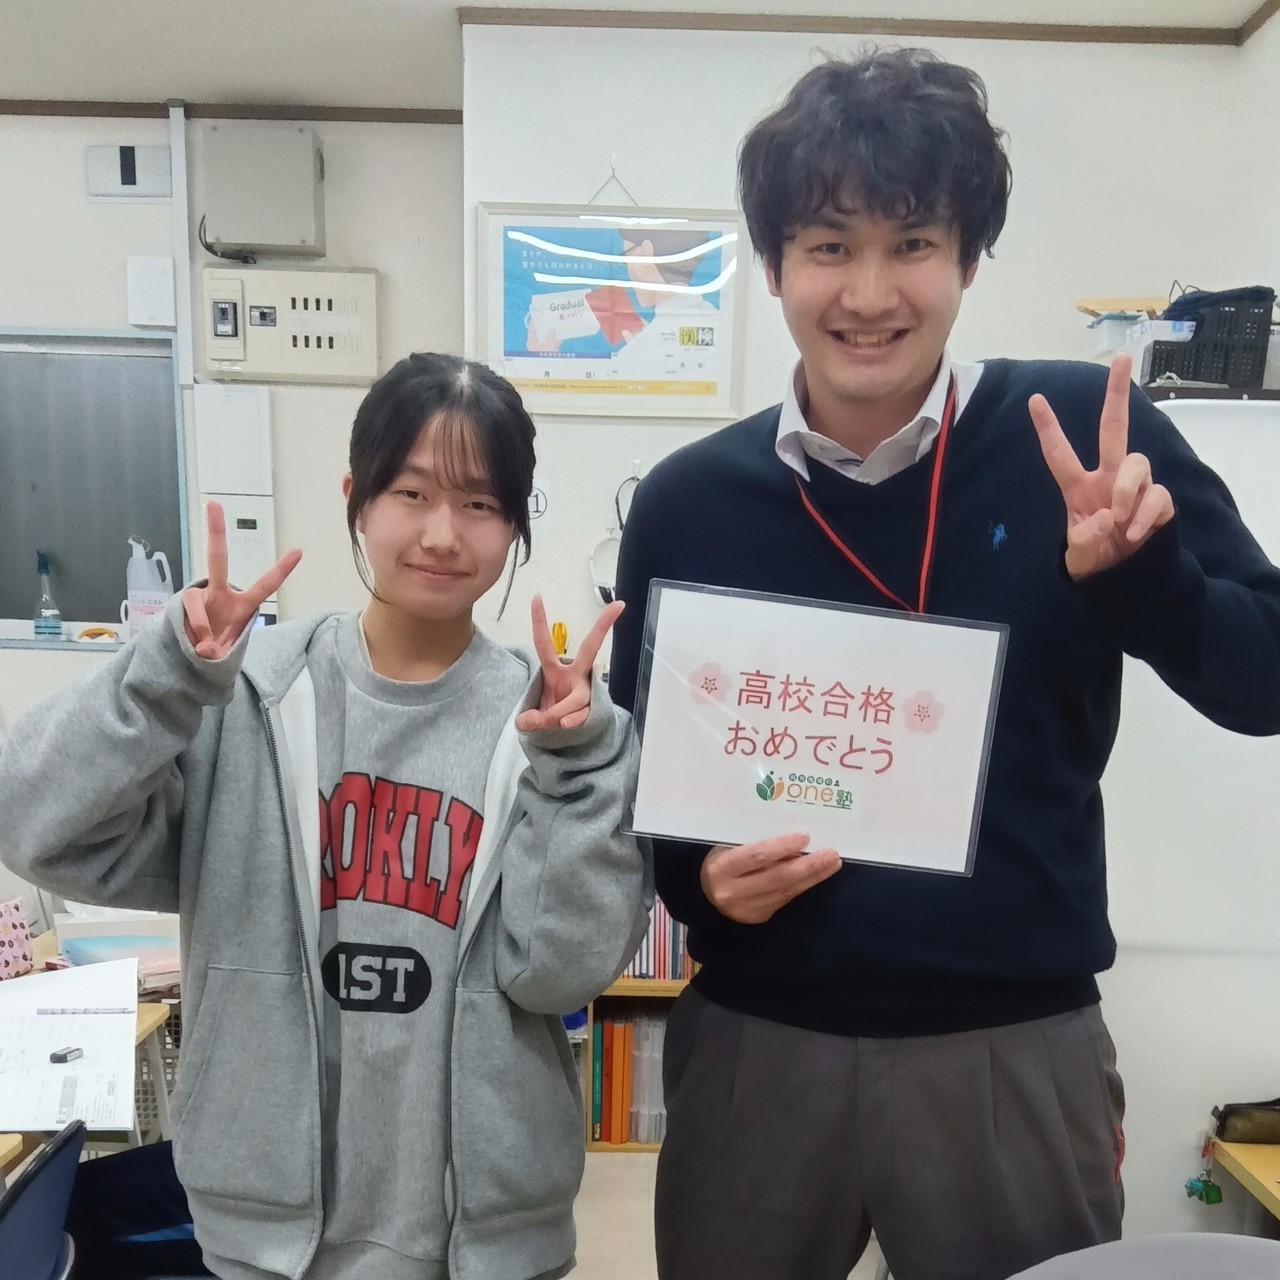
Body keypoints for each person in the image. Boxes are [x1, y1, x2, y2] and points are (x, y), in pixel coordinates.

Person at [607, 48, 1280, 1280]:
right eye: (828, 245)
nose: (869, 292)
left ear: (967, 257)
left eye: (911, 242)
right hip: (760, 1043)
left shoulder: (1079, 438)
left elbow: (1264, 678)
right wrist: (699, 883)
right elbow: (644, 784)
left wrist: (1142, 582)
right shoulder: (687, 502)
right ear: (773, 264)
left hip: (1011, 1051)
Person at [0, 352, 648, 1280]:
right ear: (357, 498)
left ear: (514, 526)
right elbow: (33, 823)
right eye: (411, 492)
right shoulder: (245, 699)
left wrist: (576, 769)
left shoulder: (553, 728)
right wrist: (164, 676)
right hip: (269, 1240)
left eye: (480, 503)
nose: (442, 533)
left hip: (484, 1246)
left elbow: (559, 974)